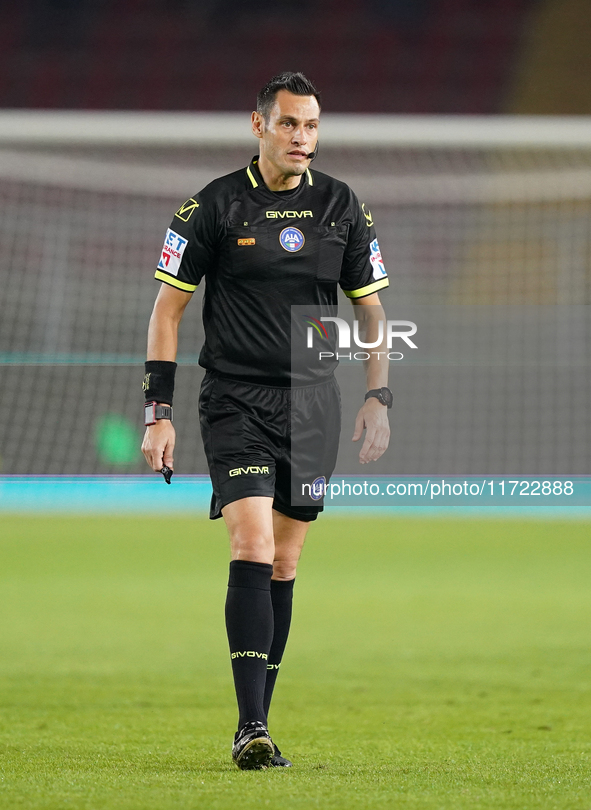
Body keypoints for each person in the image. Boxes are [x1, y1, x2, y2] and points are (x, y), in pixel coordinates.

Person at [141, 72, 391, 770]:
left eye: (310, 126)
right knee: (249, 545)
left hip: (313, 404)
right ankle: (250, 727)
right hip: (235, 400)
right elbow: (167, 310)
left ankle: (259, 721)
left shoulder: (342, 205)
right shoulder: (210, 208)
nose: (301, 138)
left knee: (285, 558)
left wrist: (379, 397)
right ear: (259, 127)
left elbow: (370, 311)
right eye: (288, 125)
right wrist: (156, 412)